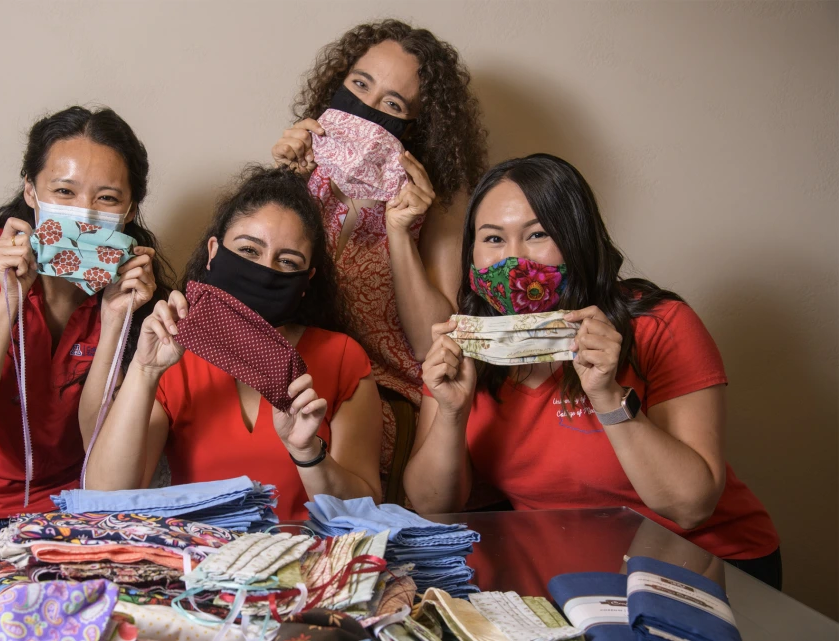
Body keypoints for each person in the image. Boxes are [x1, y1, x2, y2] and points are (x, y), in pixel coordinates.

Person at [404, 154, 781, 588]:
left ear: (578, 239)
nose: (514, 259)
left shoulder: (660, 324)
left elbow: (690, 507)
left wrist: (606, 396)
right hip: (571, 568)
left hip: (707, 561)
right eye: (492, 239)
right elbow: (433, 505)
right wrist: (452, 413)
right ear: (471, 254)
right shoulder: (464, 346)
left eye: (538, 234)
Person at [0, 106, 172, 538]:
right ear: (30, 190)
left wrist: (115, 318)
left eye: (107, 198)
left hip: (62, 505)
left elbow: (95, 442)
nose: (85, 213)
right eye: (64, 191)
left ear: (130, 209)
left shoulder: (132, 291)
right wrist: (10, 300)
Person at [80, 166, 382, 520]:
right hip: (199, 564)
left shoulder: (341, 357)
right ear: (213, 252)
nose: (265, 271)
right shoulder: (175, 358)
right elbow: (103, 498)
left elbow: (368, 515)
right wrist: (145, 370)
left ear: (306, 281)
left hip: (309, 565)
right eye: (249, 251)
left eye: (287, 261)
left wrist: (308, 454)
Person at [271, 19, 488, 499]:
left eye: (392, 104)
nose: (367, 108)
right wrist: (283, 185)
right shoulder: (310, 170)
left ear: (418, 128)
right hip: (284, 380)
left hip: (374, 403)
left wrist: (399, 228)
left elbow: (434, 343)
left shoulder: (441, 204)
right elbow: (260, 290)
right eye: (359, 85)